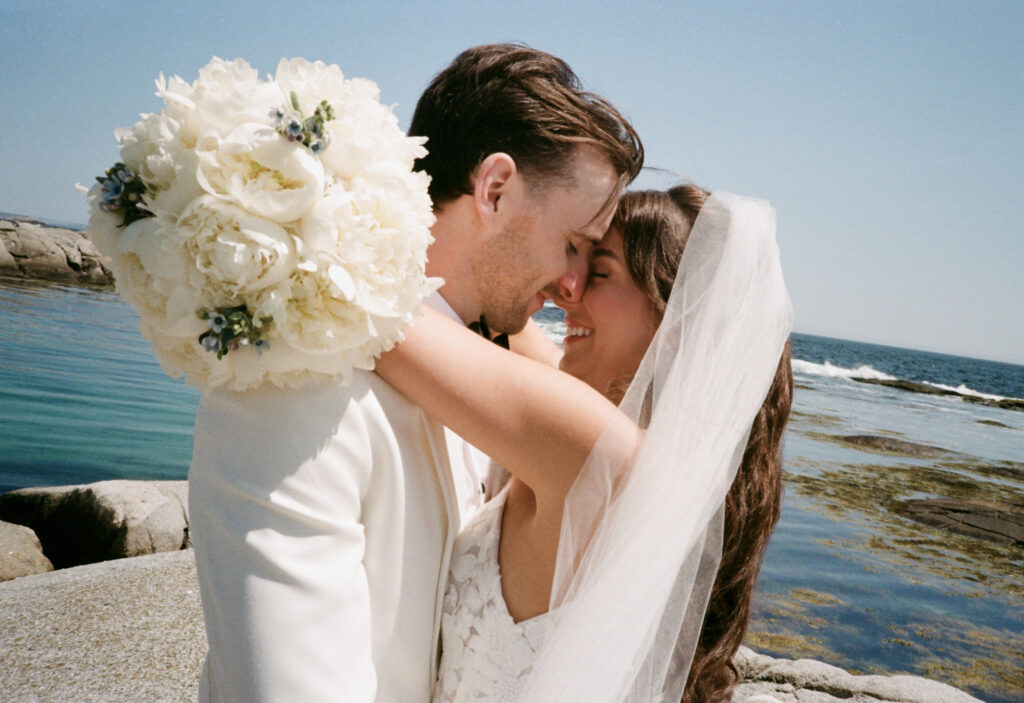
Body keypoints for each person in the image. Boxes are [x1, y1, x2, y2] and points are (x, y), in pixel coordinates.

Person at [188, 44, 642, 703]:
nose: (572, 285)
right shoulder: (297, 386)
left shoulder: (482, 370)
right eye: (573, 244)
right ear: (493, 190)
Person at [374, 185, 793, 702]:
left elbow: (376, 315)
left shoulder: (602, 452)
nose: (568, 291)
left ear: (674, 314)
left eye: (599, 272)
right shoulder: (644, 456)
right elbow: (497, 309)